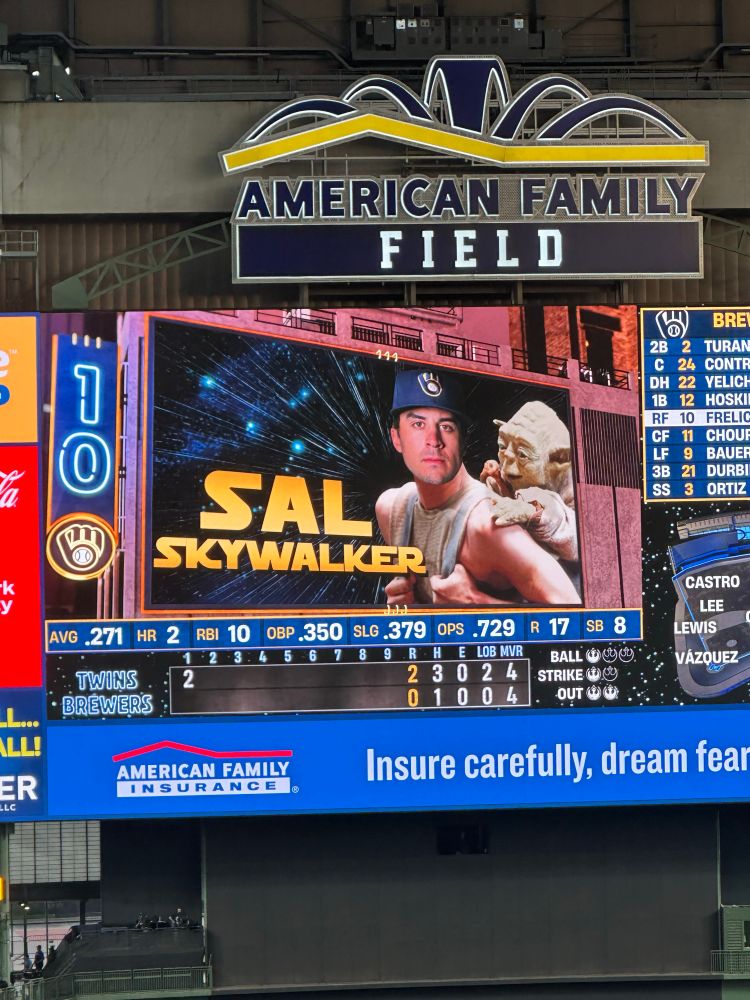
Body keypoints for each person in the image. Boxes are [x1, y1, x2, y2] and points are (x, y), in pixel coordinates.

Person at [375, 369, 581, 606]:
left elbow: (579, 615)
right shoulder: (391, 508)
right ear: (396, 438)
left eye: (447, 426)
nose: (434, 440)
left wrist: (475, 602)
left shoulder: (487, 525)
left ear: (462, 440)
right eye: (418, 424)